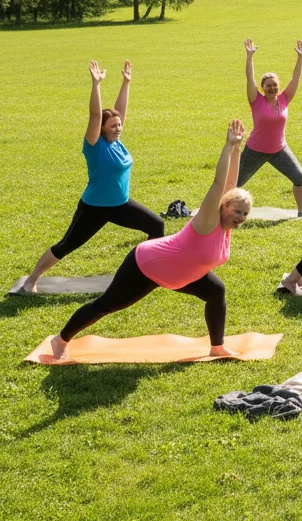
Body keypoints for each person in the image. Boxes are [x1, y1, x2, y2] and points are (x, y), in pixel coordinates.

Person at [48, 121, 253, 362]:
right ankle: (61, 340)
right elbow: (221, 185)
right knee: (108, 305)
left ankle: (217, 346)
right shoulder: (209, 221)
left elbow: (231, 186)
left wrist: (238, 148)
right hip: (148, 265)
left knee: (216, 291)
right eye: (237, 212)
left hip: (178, 274)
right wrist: (228, 146)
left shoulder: (227, 226)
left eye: (245, 214)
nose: (241, 218)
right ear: (225, 207)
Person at [21, 60, 164, 295]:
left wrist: (126, 82)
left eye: (119, 125)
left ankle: (146, 272)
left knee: (156, 226)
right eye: (113, 126)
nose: (118, 128)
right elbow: (95, 114)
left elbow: (120, 110)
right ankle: (31, 280)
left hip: (121, 205)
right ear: (102, 128)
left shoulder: (117, 142)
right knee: (66, 246)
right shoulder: (95, 145)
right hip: (94, 208)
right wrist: (96, 84)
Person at [238, 38, 302, 214]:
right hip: (255, 150)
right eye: (268, 85)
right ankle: (217, 212)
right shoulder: (256, 100)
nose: (272, 88)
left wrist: (300, 58)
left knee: (299, 177)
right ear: (262, 88)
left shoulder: (285, 99)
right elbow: (249, 77)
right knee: (234, 183)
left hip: (279, 150)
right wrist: (249, 56)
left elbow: (296, 78)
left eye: (275, 85)